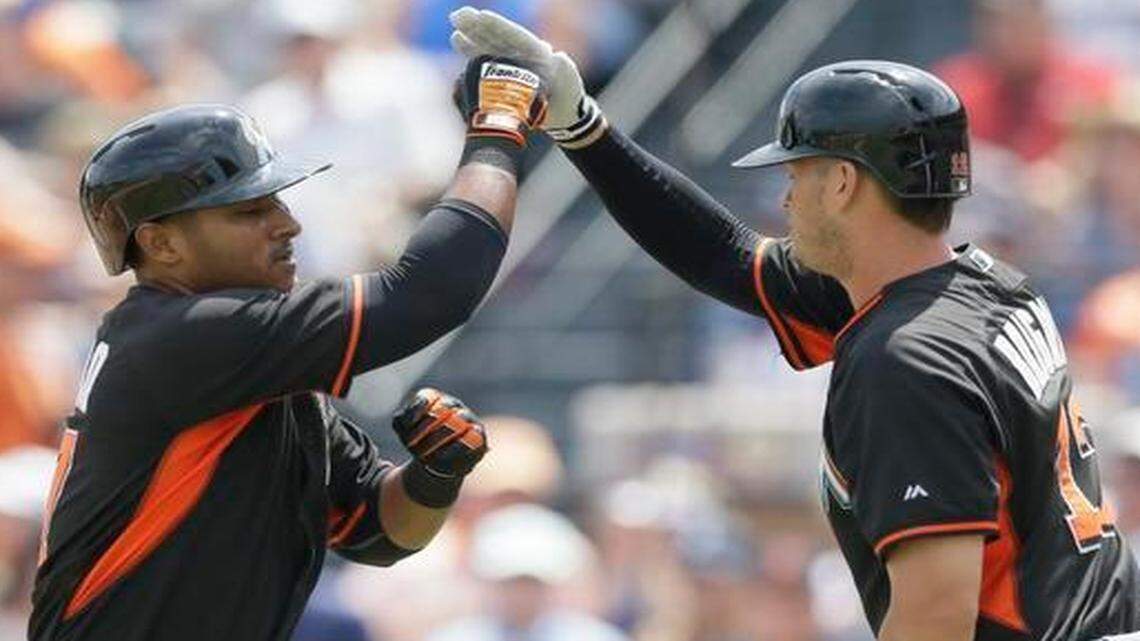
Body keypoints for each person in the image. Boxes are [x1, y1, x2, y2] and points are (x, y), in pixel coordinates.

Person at [447, 8, 1140, 641]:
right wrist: (582, 126)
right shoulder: (985, 286)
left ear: (842, 183)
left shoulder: (907, 357)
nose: (784, 196)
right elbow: (727, 257)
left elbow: (935, 612)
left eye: (798, 171)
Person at [30, 54, 549, 641]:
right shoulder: (188, 337)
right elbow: (430, 294)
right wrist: (497, 132)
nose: (286, 224)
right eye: (249, 210)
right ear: (160, 243)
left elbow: (377, 530)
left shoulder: (243, 364)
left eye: (276, 201)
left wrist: (435, 475)